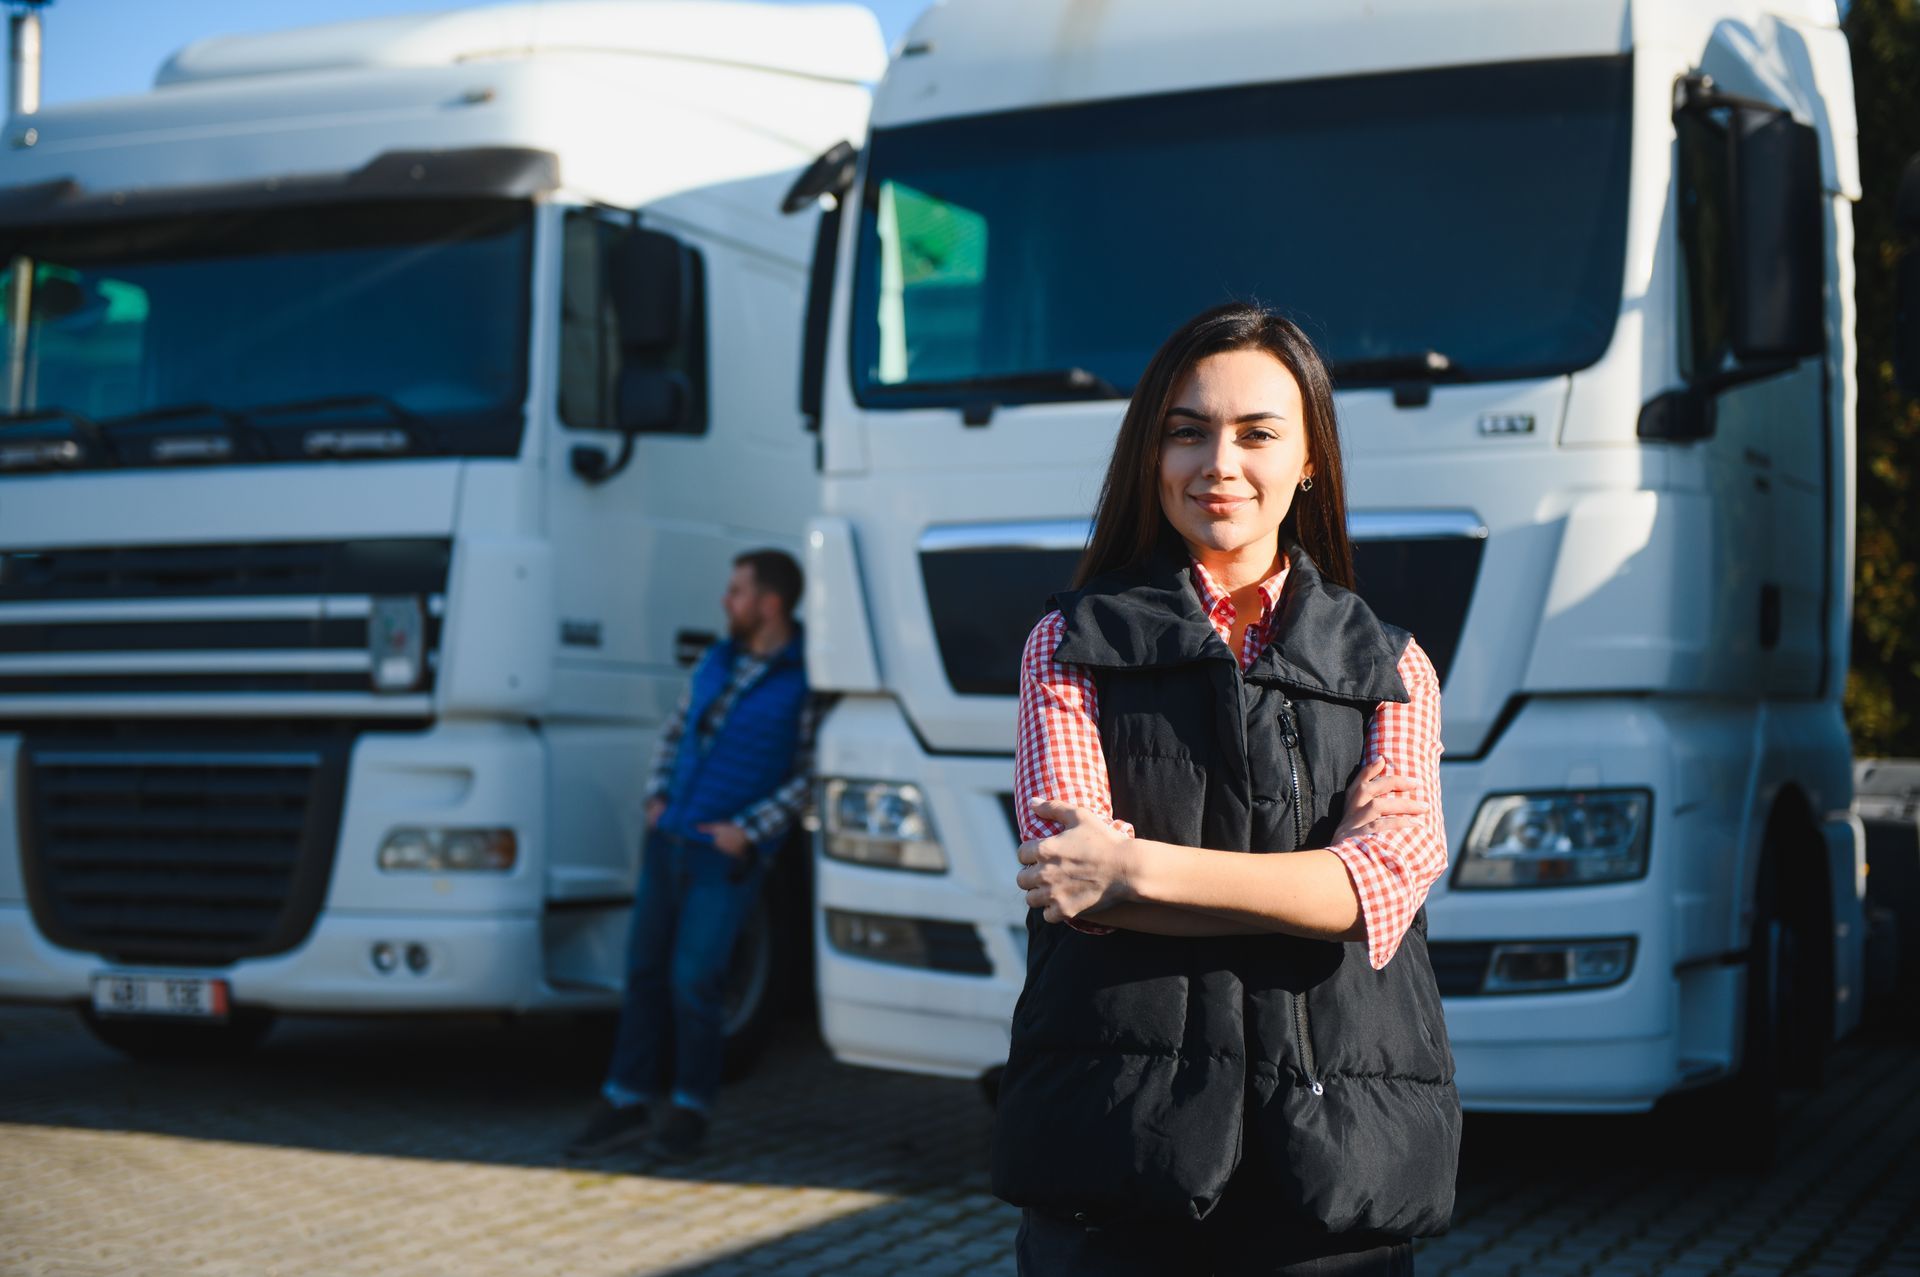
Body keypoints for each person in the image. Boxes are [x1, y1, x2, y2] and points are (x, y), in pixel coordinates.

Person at [993, 303, 1461, 1275]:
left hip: (1336, 1176)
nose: (1218, 461)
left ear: (1309, 462)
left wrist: (1140, 868)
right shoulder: (1067, 644)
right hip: (1118, 1157)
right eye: (1186, 430)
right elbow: (1077, 889)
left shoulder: (1395, 666)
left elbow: (1377, 887)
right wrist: (1305, 897)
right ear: (1149, 452)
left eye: (1257, 433)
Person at [567, 548, 815, 1162]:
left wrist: (748, 831)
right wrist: (655, 797)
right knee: (645, 973)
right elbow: (676, 730)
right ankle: (625, 1100)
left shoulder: (807, 675)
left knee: (695, 982)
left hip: (722, 855)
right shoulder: (717, 658)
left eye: (736, 592)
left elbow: (812, 774)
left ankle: (689, 1112)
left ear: (769, 603)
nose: (725, 602)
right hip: (669, 839)